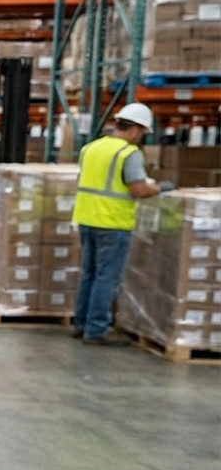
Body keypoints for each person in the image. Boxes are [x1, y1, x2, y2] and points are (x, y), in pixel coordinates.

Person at [72, 103, 163, 344]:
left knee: (89, 274)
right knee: (106, 278)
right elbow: (138, 189)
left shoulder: (90, 148)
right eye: (142, 133)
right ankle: (96, 330)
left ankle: (81, 323)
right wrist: (159, 188)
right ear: (134, 129)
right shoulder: (128, 153)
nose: (141, 138)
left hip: (86, 218)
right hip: (113, 223)